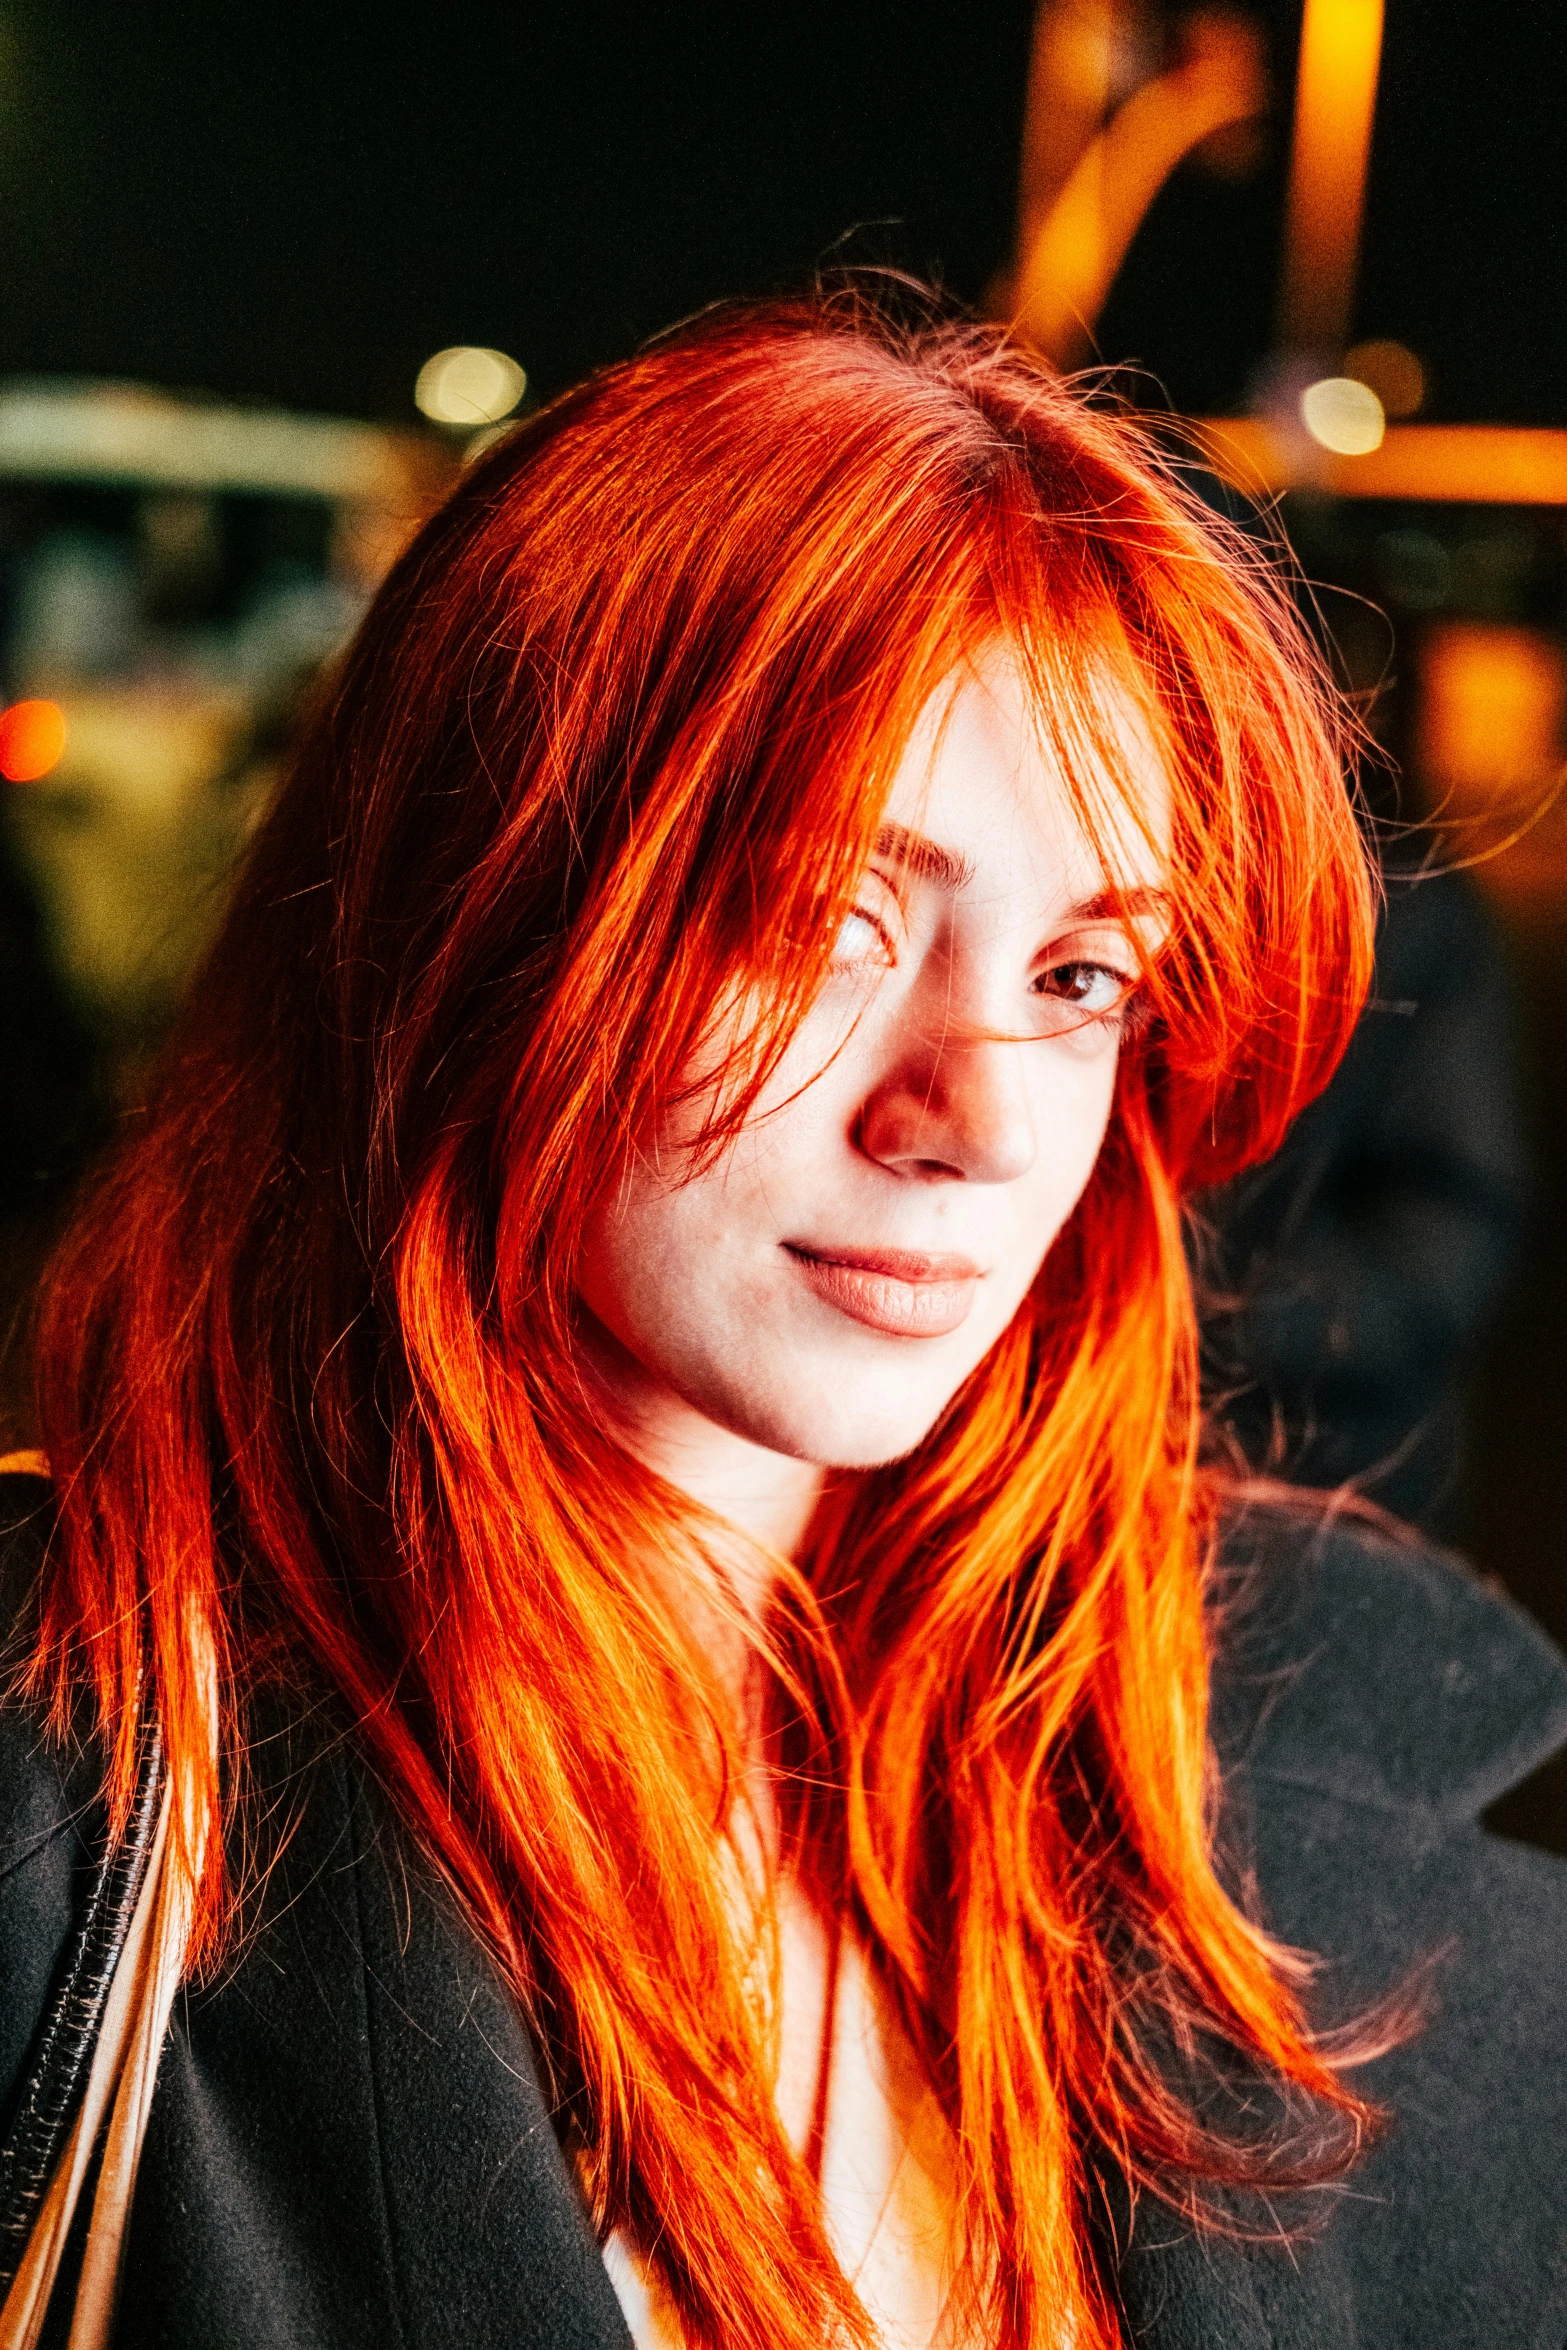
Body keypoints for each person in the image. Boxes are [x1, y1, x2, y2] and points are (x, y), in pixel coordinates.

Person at [0, 291, 1561, 2350]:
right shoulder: (78, 1818)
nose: (987, 1115)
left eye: (1085, 975)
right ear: (480, 913)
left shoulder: (1320, 1863)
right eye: (822, 921)